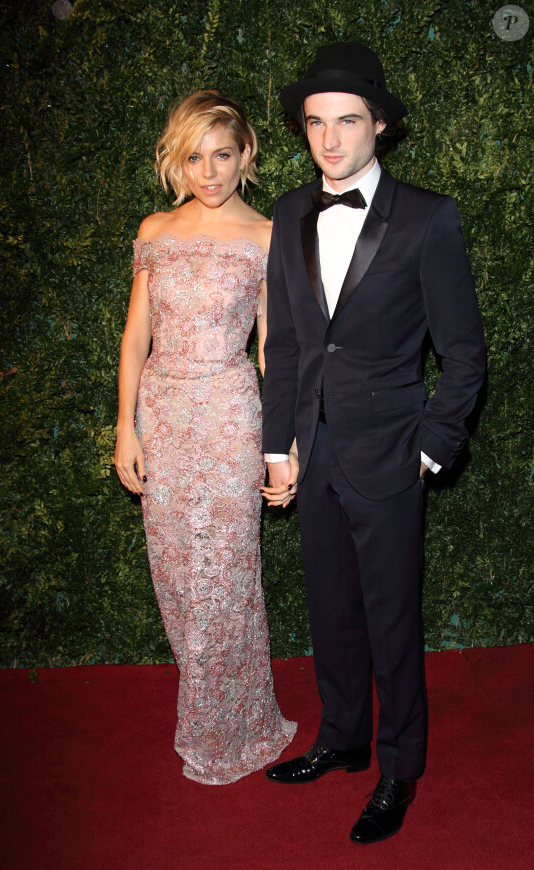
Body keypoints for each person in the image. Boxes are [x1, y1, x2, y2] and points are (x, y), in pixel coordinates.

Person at [260, 43, 485, 843]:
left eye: (348, 121)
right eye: (315, 122)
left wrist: (429, 448)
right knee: (331, 611)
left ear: (380, 125)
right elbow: (285, 342)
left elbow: (464, 354)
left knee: (392, 620)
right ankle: (344, 738)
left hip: (390, 454)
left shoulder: (428, 216)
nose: (329, 139)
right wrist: (277, 445)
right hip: (311, 451)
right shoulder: (288, 212)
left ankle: (399, 768)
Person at [114, 91, 296, 785]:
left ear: (246, 154)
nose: (209, 171)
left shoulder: (268, 236)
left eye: (222, 155)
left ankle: (229, 729)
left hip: (228, 415)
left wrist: (284, 445)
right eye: (194, 157)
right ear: (175, 160)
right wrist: (124, 426)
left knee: (226, 575)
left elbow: (272, 348)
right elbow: (136, 336)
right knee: (176, 577)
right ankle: (217, 707)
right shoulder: (155, 228)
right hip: (162, 415)